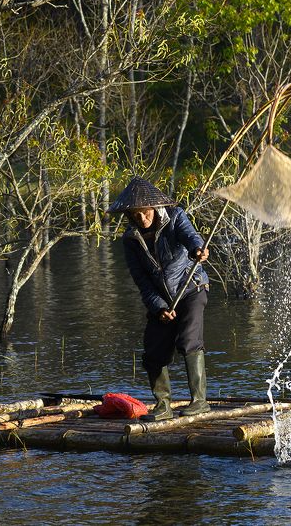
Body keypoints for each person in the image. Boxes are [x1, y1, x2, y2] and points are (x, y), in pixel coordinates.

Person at [108, 177, 211, 420]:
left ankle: (199, 401)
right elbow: (141, 280)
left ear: (154, 207)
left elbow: (191, 237)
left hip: (191, 288)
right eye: (135, 215)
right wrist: (159, 307)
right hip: (163, 298)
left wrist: (198, 249)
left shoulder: (175, 216)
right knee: (153, 350)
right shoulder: (130, 239)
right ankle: (163, 405)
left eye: (145, 212)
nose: (142, 218)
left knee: (188, 339)